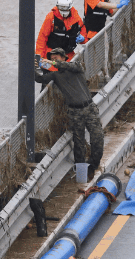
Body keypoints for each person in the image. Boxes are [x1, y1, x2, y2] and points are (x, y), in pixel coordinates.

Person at [36, 47, 105, 179]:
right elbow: (39, 79)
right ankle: (82, 173)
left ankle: (93, 165)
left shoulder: (76, 67)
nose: (53, 60)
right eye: (52, 58)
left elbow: (69, 66)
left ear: (63, 58)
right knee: (78, 143)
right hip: (74, 111)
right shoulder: (56, 75)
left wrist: (54, 63)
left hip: (89, 108)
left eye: (56, 58)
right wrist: (36, 65)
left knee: (98, 137)